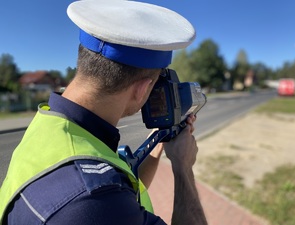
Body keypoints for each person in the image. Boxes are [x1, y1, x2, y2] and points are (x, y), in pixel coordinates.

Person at [0, 1, 208, 224]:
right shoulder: (93, 200)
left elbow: (126, 190)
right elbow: (110, 199)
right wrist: (183, 167)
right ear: (141, 89)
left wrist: (158, 146)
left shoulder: (53, 125)